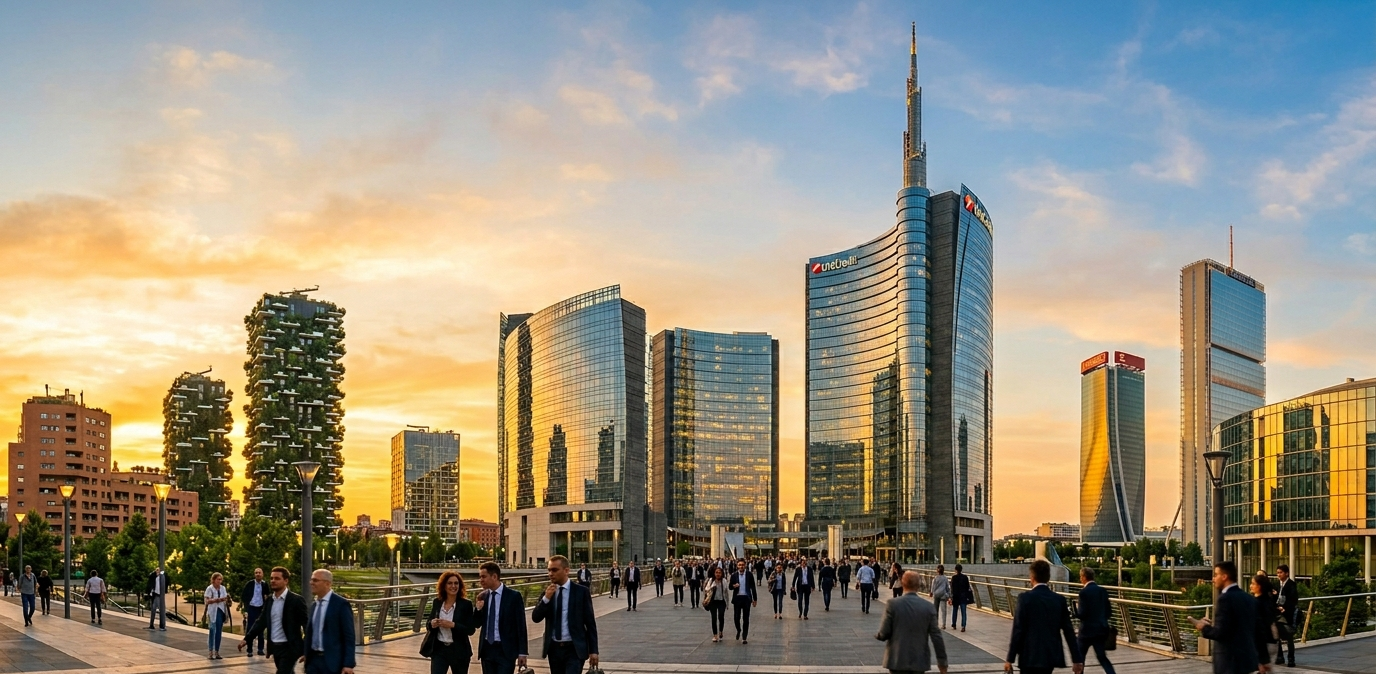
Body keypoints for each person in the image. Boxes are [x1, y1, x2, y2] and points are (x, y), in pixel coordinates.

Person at [1004, 559, 1083, 674]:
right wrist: (1077, 659)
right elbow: (1068, 631)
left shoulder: (1025, 599)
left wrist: (1009, 659)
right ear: (1048, 577)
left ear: (1032, 577)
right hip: (1050, 655)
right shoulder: (1059, 600)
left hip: (1029, 656)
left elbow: (1018, 630)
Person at [532, 555, 600, 674]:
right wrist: (546, 599)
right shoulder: (548, 592)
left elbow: (590, 623)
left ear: (566, 571)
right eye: (549, 570)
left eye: (554, 570)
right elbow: (536, 618)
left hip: (574, 648)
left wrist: (594, 651)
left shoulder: (581, 592)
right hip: (554, 649)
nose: (550, 573)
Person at [1188, 561, 1259, 674]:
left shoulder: (1225, 599)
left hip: (1229, 662)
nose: (1213, 579)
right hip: (1246, 660)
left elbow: (1221, 633)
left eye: (1216, 575)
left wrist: (1203, 627)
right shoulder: (1248, 598)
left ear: (1224, 576)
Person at [239, 566, 309, 674]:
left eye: (277, 578)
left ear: (286, 581)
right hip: (275, 647)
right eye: (271, 578)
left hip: (290, 648)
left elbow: (306, 625)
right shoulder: (270, 601)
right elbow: (261, 622)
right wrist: (247, 639)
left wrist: (307, 649)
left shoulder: (296, 600)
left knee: (282, 672)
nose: (273, 581)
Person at [876, 571, 949, 674]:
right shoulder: (928, 607)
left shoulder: (893, 604)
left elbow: (884, 632)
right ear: (918, 585)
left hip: (897, 659)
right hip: (919, 660)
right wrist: (942, 662)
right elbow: (936, 636)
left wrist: (879, 635)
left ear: (902, 583)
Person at [474, 562, 529, 674]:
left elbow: (521, 626)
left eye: (484, 576)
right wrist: (478, 609)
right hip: (487, 650)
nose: (481, 580)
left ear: (494, 576)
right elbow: (476, 624)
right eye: (480, 577)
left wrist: (522, 652)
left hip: (505, 651)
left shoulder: (513, 596)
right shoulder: (483, 596)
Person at [304, 569, 356, 674]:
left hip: (332, 663)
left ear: (327, 583)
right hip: (313, 661)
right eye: (311, 580)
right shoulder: (314, 605)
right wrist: (306, 653)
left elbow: (349, 636)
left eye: (315, 580)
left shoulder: (341, 604)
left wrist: (348, 664)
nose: (311, 583)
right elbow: (310, 632)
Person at [425, 570, 476, 674]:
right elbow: (428, 624)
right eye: (450, 583)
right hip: (439, 650)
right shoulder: (437, 602)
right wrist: (432, 624)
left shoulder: (466, 604)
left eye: (456, 583)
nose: (453, 586)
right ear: (444, 586)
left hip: (459, 650)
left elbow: (470, 630)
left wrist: (453, 625)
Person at [1075, 567, 1115, 674]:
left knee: (1080, 657)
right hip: (1101, 629)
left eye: (1080, 577)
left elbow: (1082, 614)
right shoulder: (1102, 591)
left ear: (1084, 577)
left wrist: (1075, 613)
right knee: (1102, 657)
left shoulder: (1083, 593)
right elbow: (1109, 612)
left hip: (1086, 632)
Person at [1250, 572, 1277, 674]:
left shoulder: (1256, 603)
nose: (1251, 586)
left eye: (1253, 583)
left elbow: (1259, 627)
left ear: (1259, 586)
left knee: (1261, 669)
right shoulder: (1268, 601)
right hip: (1271, 641)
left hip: (1262, 643)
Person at [242, 567, 269, 657]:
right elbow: (244, 596)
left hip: (260, 608)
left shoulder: (265, 584)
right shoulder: (250, 584)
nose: (258, 574)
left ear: (262, 574)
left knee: (260, 629)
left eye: (259, 573)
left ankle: (260, 649)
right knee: (250, 628)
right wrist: (246, 609)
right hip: (251, 607)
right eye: (256, 573)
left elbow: (267, 596)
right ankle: (249, 650)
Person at [729, 559, 758, 644]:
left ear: (745, 565)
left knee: (746, 618)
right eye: (739, 565)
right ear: (737, 566)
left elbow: (753, 587)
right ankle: (738, 629)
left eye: (742, 565)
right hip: (737, 598)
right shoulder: (734, 575)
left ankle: (744, 636)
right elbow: (730, 586)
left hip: (746, 598)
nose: (741, 566)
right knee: (736, 617)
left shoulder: (749, 575)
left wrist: (754, 599)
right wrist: (734, 586)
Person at [1275, 565, 1298, 668]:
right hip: (1277, 613)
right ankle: (1279, 657)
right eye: (1278, 573)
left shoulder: (1291, 585)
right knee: (1276, 635)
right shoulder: (1277, 585)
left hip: (1287, 614)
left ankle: (1291, 658)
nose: (1278, 575)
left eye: (1280, 572)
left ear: (1286, 573)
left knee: (1289, 637)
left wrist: (1284, 608)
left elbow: (1293, 600)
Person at [205, 572, 231, 660]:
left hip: (220, 610)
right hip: (213, 611)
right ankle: (210, 651)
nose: (219, 581)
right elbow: (207, 601)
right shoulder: (210, 588)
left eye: (221, 579)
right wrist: (217, 600)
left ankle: (217, 651)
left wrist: (225, 599)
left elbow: (225, 598)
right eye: (218, 579)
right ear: (214, 580)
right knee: (212, 630)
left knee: (219, 631)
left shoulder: (223, 588)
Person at [703, 566, 728, 642]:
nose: (718, 574)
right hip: (713, 601)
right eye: (716, 572)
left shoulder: (724, 581)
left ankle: (721, 631)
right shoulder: (711, 581)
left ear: (722, 573)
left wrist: (727, 604)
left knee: (721, 616)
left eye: (719, 572)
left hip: (721, 601)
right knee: (714, 618)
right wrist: (712, 587)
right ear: (714, 573)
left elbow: (726, 593)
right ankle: (715, 635)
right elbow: (706, 590)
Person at [146, 565, 170, 630]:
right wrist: (154, 573)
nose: (157, 571)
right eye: (157, 570)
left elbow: (167, 580)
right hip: (156, 595)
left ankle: (162, 626)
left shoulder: (163, 577)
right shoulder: (155, 577)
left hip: (160, 596)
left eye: (158, 570)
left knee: (161, 610)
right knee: (153, 610)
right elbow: (150, 577)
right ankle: (152, 625)